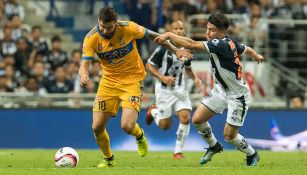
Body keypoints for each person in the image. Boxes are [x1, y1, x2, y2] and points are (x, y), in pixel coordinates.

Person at [78, 7, 192, 168]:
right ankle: (108, 158)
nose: (105, 30)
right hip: (108, 82)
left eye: (109, 27)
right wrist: (84, 75)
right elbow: (84, 65)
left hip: (132, 80)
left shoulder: (129, 28)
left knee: (127, 126)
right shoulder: (91, 38)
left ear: (115, 24)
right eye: (102, 26)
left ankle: (139, 136)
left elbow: (156, 37)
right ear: (98, 21)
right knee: (97, 127)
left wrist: (176, 50)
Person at [155, 13, 264, 167]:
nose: (207, 33)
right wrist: (255, 55)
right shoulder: (230, 42)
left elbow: (192, 44)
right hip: (221, 90)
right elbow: (245, 49)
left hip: (237, 95)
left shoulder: (221, 44)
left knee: (229, 136)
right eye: (207, 29)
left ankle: (252, 154)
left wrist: (168, 34)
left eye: (211, 30)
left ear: (222, 32)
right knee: (197, 119)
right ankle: (214, 146)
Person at [145, 20, 201, 160]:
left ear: (184, 31)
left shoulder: (186, 49)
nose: (179, 31)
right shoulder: (162, 48)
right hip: (164, 90)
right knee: (165, 126)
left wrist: (195, 78)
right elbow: (149, 66)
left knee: (185, 117)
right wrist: (162, 77)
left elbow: (187, 68)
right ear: (171, 31)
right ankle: (153, 111)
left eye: (181, 28)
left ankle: (178, 152)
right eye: (176, 28)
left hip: (180, 89)